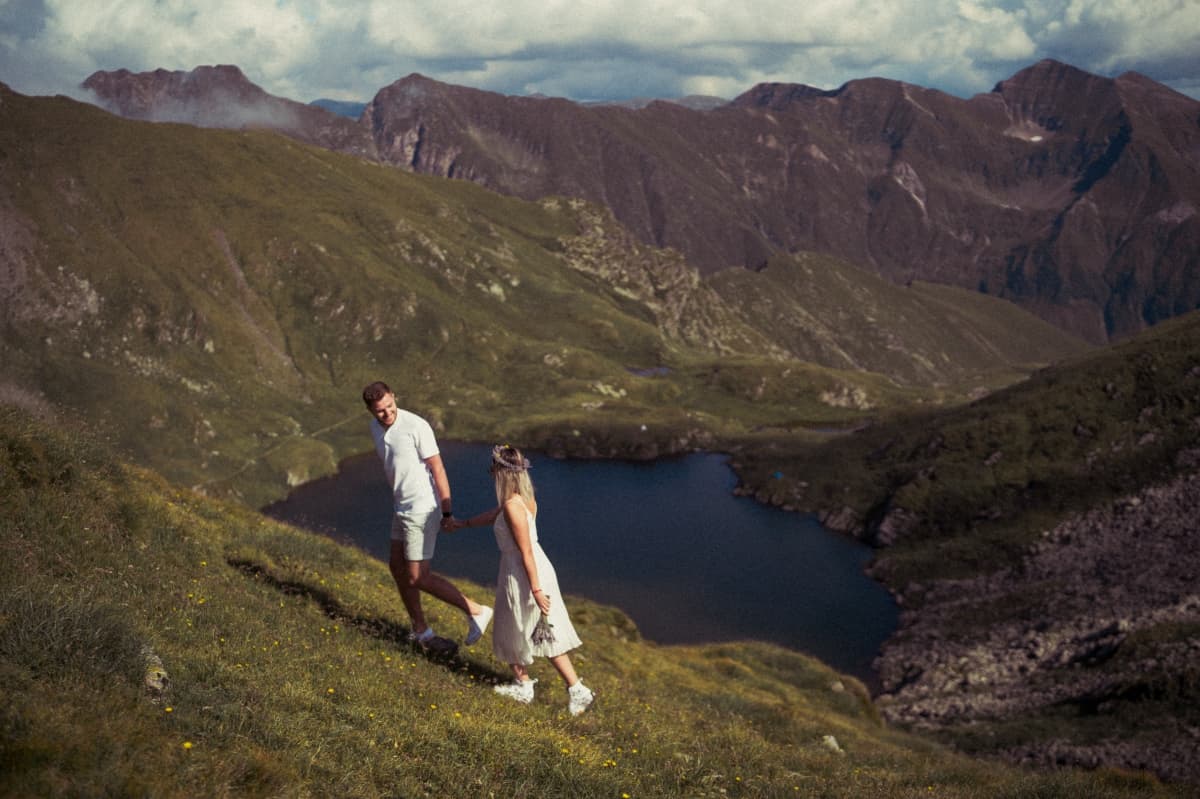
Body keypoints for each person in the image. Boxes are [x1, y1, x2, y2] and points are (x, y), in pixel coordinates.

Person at [447, 445, 595, 716]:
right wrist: (464, 523)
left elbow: (524, 550)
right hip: (532, 567)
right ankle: (570, 689)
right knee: (536, 630)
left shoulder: (513, 507)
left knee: (517, 627)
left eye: (493, 468)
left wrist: (536, 590)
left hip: (523, 571)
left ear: (502, 473)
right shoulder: (521, 500)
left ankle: (533, 686)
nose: (491, 473)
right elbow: (495, 515)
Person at [362, 381, 492, 649]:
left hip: (421, 508)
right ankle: (421, 631)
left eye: (390, 406)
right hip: (401, 506)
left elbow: (438, 468)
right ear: (370, 410)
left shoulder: (416, 426)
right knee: (397, 567)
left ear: (394, 396)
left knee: (418, 577)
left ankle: (477, 611)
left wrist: (447, 512)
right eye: (380, 410)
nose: (387, 413)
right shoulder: (375, 427)